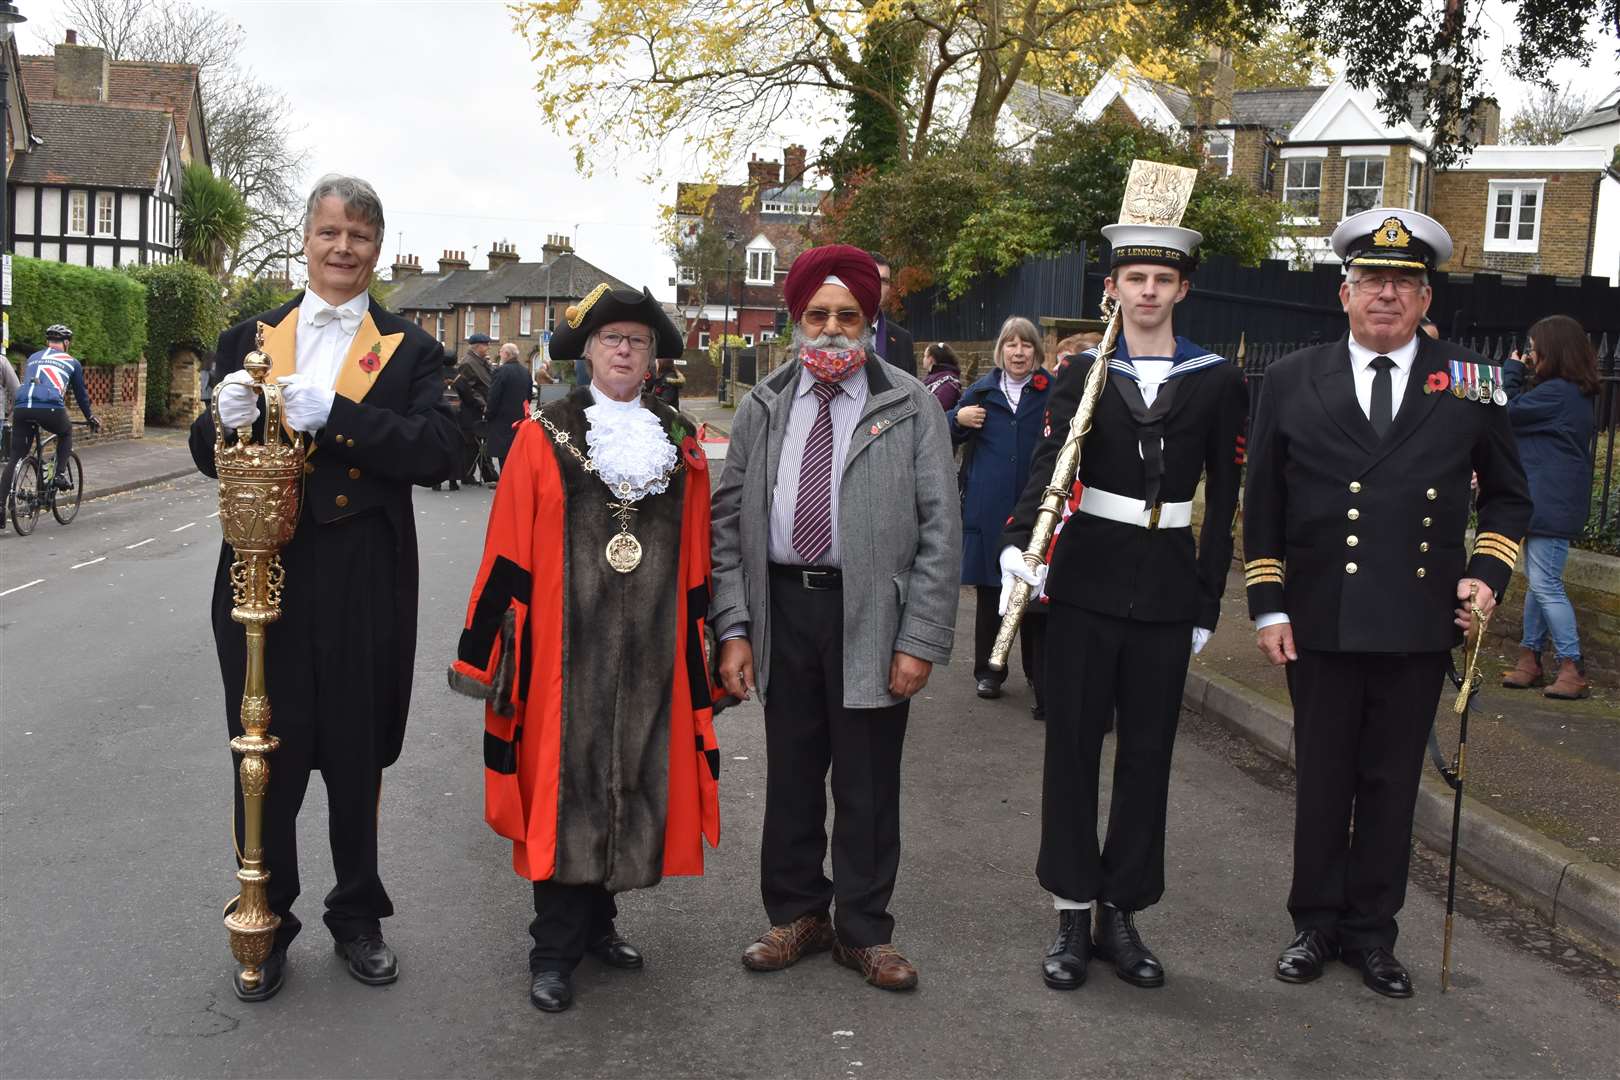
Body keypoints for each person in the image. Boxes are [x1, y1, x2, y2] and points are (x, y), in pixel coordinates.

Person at [1244, 208, 1530, 1000]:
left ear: (1426, 298)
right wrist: (1269, 606)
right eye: (1371, 280)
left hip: (1415, 624)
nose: (1385, 295)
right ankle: (1313, 923)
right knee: (1323, 781)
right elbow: (1261, 503)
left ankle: (1373, 932)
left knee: (1391, 786)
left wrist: (1485, 574)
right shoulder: (1293, 378)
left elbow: (1509, 499)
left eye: (1403, 283)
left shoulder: (1469, 383)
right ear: (1345, 294)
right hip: (1320, 620)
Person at [189, 174, 460, 1003]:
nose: (343, 248)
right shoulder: (252, 335)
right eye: (329, 232)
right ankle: (265, 915)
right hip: (261, 570)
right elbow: (210, 456)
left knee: (353, 749)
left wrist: (337, 415)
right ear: (304, 238)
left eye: (361, 236)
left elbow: (442, 451)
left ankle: (358, 916)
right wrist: (217, 421)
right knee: (263, 751)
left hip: (363, 574)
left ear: (378, 248)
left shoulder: (411, 349)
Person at [449, 284, 720, 1014]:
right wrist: (494, 653)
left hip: (655, 651)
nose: (625, 350)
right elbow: (506, 549)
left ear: (653, 354)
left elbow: (697, 554)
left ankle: (601, 923)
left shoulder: (680, 439)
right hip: (561, 656)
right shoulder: (546, 435)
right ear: (588, 352)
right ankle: (553, 948)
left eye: (637, 339)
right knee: (565, 784)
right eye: (611, 339)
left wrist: (708, 643)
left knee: (631, 776)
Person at [999, 223, 1246, 992]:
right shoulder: (1083, 373)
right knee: (1071, 745)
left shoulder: (1216, 378)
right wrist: (1020, 541)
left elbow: (1226, 497)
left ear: (1182, 290)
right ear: (1113, 288)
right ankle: (1072, 910)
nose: (1147, 291)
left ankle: (1122, 913)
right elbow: (1051, 462)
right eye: (1133, 278)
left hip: (1169, 582)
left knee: (1147, 756)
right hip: (1085, 579)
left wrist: (1208, 597)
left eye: (1161, 280)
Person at [710, 244, 959, 992]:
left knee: (868, 783)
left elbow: (941, 529)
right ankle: (796, 914)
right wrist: (735, 627)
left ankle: (863, 930)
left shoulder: (911, 404)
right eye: (816, 314)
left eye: (847, 315)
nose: (830, 329)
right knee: (790, 777)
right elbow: (729, 521)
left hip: (872, 614)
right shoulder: (762, 405)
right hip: (784, 608)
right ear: (795, 319)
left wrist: (919, 638)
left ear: (869, 321)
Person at [951, 317, 1053, 713]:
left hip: (1035, 507)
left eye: (1026, 345)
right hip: (988, 507)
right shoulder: (981, 392)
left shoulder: (1050, 392)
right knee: (992, 593)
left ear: (1036, 352)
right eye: (1011, 344)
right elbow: (945, 434)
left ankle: (1035, 671)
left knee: (1033, 592)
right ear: (1000, 351)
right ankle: (989, 671)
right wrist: (956, 420)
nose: (1019, 352)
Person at [1499, 315, 1599, 700]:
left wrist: (1511, 370)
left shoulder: (1559, 392)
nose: (1531, 353)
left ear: (1553, 349)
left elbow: (1504, 410)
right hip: (1545, 501)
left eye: (1535, 346)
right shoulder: (1566, 392)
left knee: (1546, 586)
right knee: (1538, 586)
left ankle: (1572, 668)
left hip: (1550, 503)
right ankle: (1530, 659)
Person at [1, 325, 102, 519]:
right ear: (66, 343)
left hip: (22, 407)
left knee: (15, 458)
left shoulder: (32, 358)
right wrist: (89, 416)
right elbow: (81, 395)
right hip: (50, 407)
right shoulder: (71, 362)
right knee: (65, 432)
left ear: (48, 342)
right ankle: (59, 475)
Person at [455, 332, 498, 485]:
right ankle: (467, 475)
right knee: (472, 443)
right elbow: (469, 388)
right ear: (477, 346)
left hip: (483, 406)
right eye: (485, 345)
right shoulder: (467, 363)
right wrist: (482, 404)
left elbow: (493, 378)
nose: (488, 347)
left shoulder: (480, 361)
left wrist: (488, 364)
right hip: (472, 409)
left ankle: (488, 473)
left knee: (482, 441)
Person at [483, 342, 533, 472]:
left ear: (506, 354)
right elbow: (529, 396)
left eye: (500, 352)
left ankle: (505, 482)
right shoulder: (525, 372)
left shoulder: (501, 371)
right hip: (520, 418)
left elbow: (494, 396)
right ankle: (515, 480)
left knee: (503, 453)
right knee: (516, 451)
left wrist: (488, 413)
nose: (500, 355)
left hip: (502, 418)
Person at [868, 252, 916, 376]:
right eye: (871, 277)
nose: (877, 286)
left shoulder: (903, 339)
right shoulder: (836, 331)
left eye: (884, 281)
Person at [432, 357, 462, 492]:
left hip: (438, 415)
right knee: (454, 447)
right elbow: (466, 394)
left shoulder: (434, 375)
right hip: (455, 417)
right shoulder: (459, 376)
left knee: (437, 447)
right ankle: (453, 481)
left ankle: (436, 481)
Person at [921, 342, 963, 411]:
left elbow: (939, 411)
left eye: (925, 356)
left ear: (931, 359)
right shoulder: (933, 378)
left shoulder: (948, 383)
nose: (923, 359)